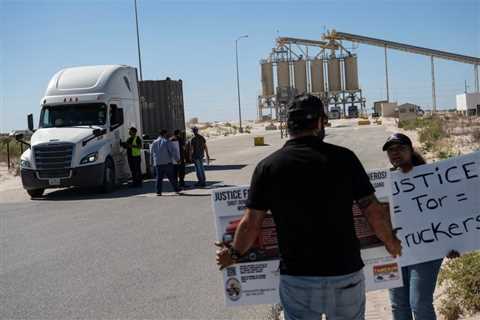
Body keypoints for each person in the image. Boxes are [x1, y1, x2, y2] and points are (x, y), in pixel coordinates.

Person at [216, 94, 402, 320]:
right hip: (345, 274)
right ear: (319, 123)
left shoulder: (268, 167)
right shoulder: (345, 159)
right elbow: (372, 211)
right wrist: (391, 242)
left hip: (298, 279)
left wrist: (233, 254)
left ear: (288, 125)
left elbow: (251, 224)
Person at [383, 133, 460, 320]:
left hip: (426, 250)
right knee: (398, 304)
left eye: (400, 148)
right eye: (391, 150)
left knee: (419, 303)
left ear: (411, 150)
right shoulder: (385, 182)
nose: (395, 153)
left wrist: (456, 243)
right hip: (397, 252)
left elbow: (453, 211)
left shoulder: (434, 178)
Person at [150, 129, 180, 196]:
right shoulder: (167, 141)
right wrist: (177, 159)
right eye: (166, 134)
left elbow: (151, 153)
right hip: (167, 163)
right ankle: (176, 190)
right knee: (172, 177)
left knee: (159, 178)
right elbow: (172, 151)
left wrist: (151, 163)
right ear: (164, 134)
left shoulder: (154, 142)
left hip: (158, 163)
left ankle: (158, 192)